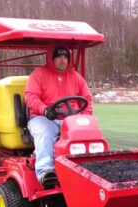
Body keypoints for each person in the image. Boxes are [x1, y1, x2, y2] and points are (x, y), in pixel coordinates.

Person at [24, 46, 93, 187]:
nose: (63, 60)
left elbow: (87, 98)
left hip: (71, 119)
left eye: (66, 57)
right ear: (51, 58)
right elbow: (30, 96)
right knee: (45, 131)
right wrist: (44, 110)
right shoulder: (39, 75)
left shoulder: (76, 77)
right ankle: (45, 171)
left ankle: (89, 168)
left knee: (90, 133)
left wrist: (85, 118)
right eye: (59, 57)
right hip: (43, 117)